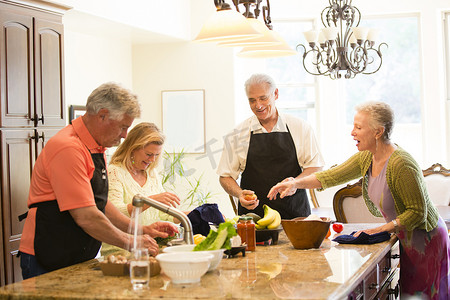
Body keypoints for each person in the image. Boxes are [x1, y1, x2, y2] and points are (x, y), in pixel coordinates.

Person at [268, 101, 449, 299]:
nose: (352, 132)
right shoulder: (367, 157)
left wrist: (382, 228)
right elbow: (330, 176)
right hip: (408, 238)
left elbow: (417, 212)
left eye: (359, 127)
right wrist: (295, 183)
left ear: (378, 132)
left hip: (428, 240)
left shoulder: (402, 164)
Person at [18, 83, 177, 279]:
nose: (124, 135)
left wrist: (140, 230)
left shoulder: (94, 147)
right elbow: (86, 215)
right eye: (123, 126)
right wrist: (131, 241)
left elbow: (99, 203)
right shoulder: (69, 148)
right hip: (47, 255)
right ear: (102, 115)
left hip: (74, 254)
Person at [217, 73, 324, 219]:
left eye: (263, 98)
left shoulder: (300, 127)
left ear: (276, 94)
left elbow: (315, 166)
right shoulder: (236, 135)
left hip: (296, 215)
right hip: (253, 218)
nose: (258, 105)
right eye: (252, 100)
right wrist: (240, 194)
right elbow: (225, 176)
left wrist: (295, 183)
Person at [102, 122, 182, 255]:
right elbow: (115, 213)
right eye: (148, 154)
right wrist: (151, 200)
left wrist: (194, 214)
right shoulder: (115, 172)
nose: (152, 159)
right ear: (133, 148)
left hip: (148, 246)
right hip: (121, 250)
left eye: (156, 155)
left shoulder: (151, 174)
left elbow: (163, 215)